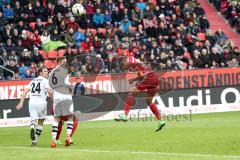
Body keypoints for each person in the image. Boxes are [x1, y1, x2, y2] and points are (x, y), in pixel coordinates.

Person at [114, 57, 165, 132]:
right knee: (149, 101)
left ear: (124, 61)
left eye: (122, 63)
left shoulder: (131, 65)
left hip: (149, 77)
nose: (122, 66)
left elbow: (141, 75)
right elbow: (142, 74)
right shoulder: (136, 65)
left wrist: (133, 80)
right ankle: (160, 121)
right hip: (155, 79)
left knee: (131, 92)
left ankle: (125, 115)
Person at [16, 67, 52, 146]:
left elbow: (25, 91)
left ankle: (32, 126)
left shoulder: (32, 81)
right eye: (45, 71)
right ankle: (35, 140)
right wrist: (54, 101)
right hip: (42, 103)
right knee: (41, 121)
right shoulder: (45, 81)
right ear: (40, 73)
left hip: (31, 103)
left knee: (33, 121)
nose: (47, 72)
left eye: (47, 71)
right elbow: (49, 91)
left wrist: (21, 102)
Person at [49, 56, 74, 147]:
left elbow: (50, 89)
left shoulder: (51, 72)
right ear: (59, 62)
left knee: (56, 118)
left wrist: (53, 99)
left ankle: (53, 140)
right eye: (64, 61)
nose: (65, 63)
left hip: (56, 97)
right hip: (65, 95)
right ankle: (68, 137)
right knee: (70, 117)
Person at [55, 78, 85, 145]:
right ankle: (69, 137)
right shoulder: (67, 89)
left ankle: (56, 139)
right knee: (75, 119)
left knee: (60, 122)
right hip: (65, 108)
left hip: (57, 108)